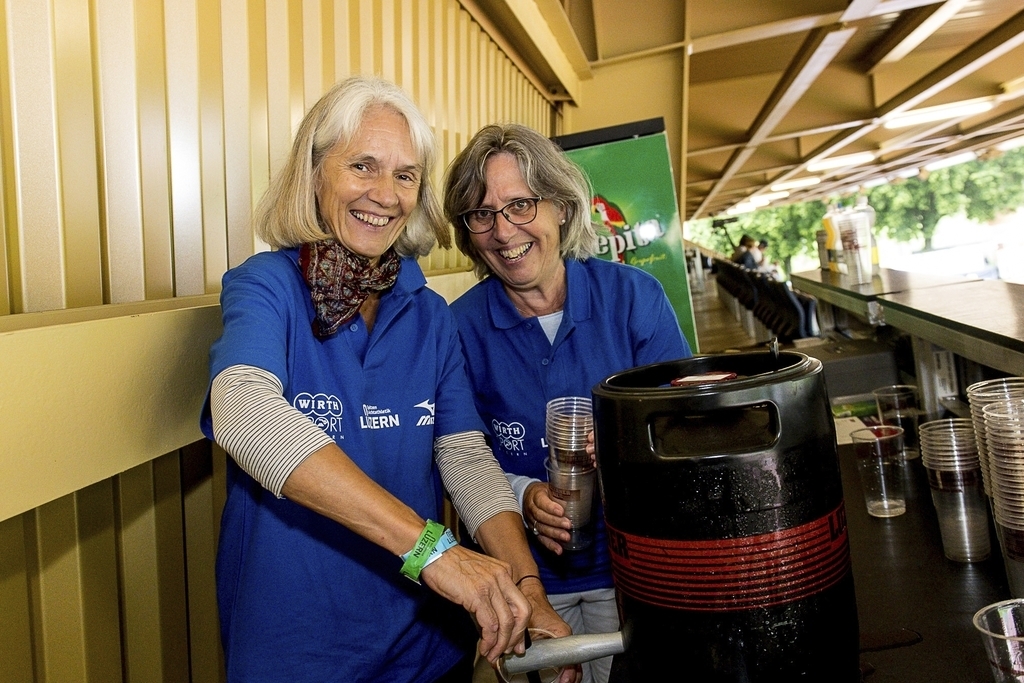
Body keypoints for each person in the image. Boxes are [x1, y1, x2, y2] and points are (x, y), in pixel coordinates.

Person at [200, 77, 575, 683]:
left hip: (426, 647)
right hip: (300, 650)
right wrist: (435, 553)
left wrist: (528, 589)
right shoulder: (265, 285)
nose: (385, 194)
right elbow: (244, 414)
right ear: (315, 172)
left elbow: (466, 460)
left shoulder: (424, 310)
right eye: (362, 166)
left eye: (405, 175)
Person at [443, 123, 692, 683]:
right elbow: (459, 457)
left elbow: (685, 427)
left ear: (560, 206)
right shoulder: (458, 329)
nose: (504, 231)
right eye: (481, 214)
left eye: (521, 205)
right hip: (528, 582)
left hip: (638, 567)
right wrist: (522, 492)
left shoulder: (633, 298)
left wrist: (621, 443)